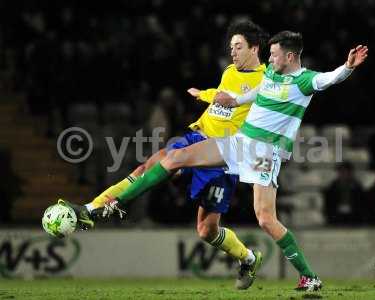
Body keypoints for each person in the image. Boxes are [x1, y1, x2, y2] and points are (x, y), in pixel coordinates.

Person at [91, 31, 367, 291]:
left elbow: (330, 79)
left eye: (274, 54)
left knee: (266, 219)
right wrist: (235, 101)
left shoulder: (305, 81)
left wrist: (348, 67)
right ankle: (118, 202)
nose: (269, 59)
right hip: (240, 143)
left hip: (264, 154)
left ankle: (310, 277)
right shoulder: (272, 72)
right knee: (175, 157)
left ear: (291, 56)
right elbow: (260, 92)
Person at [62, 20, 268, 290]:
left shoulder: (266, 82)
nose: (232, 52)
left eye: (238, 47)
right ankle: (92, 209)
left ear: (254, 49)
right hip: (198, 138)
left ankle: (248, 258)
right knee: (150, 164)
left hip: (222, 158)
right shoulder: (230, 71)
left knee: (206, 230)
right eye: (231, 47)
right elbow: (222, 101)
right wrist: (204, 96)